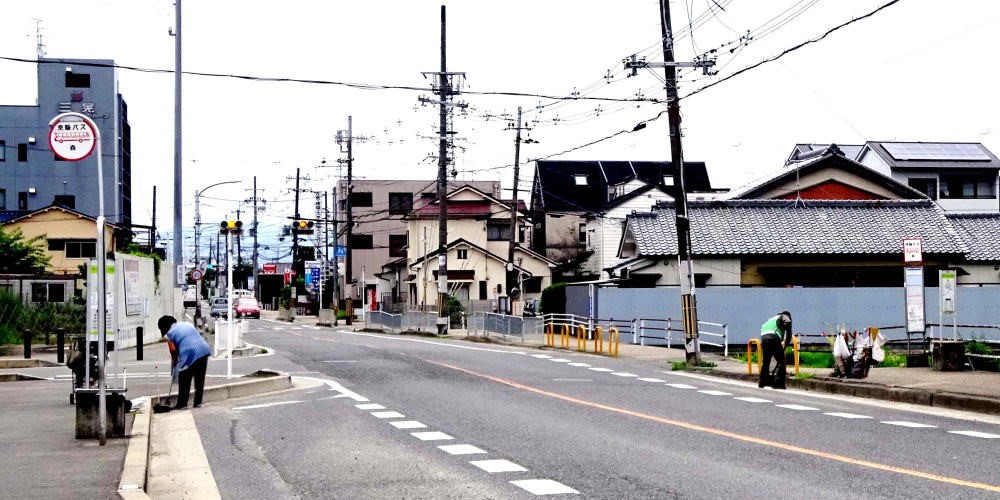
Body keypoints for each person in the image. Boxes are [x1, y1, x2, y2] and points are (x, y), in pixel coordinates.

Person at [158, 315, 212, 409]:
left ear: (166, 327)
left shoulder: (170, 333)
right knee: (199, 379)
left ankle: (182, 404)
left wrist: (175, 360)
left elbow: (173, 350)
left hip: (190, 352)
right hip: (203, 350)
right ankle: (197, 402)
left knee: (184, 377)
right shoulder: (187, 324)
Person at [758, 311, 793, 389]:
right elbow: (788, 323)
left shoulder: (771, 319)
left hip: (764, 338)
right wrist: (785, 345)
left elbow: (762, 328)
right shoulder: (784, 316)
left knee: (766, 361)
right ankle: (778, 383)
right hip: (773, 337)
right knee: (781, 361)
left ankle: (762, 382)